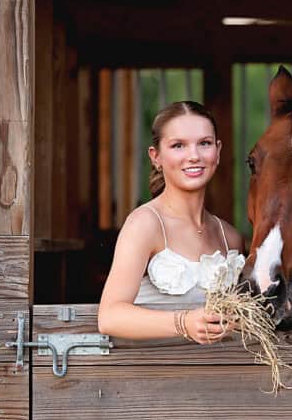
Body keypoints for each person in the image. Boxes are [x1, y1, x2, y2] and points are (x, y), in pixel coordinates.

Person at [97, 100, 245, 344]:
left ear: (218, 151)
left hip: (218, 374)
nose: (194, 156)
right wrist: (183, 323)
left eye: (204, 144)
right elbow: (109, 317)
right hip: (153, 374)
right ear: (156, 157)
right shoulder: (144, 224)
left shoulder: (229, 236)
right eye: (178, 146)